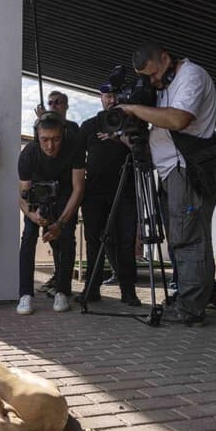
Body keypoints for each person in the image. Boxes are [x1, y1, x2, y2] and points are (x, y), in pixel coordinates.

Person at [117, 42, 216, 325]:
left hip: (186, 169)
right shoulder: (163, 86)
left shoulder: (191, 75)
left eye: (153, 74)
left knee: (188, 239)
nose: (152, 81)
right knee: (182, 238)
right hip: (170, 171)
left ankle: (190, 307)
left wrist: (135, 108)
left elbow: (178, 118)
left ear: (165, 58)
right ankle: (194, 296)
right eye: (146, 77)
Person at [16, 112, 85, 314]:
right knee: (28, 237)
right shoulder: (28, 154)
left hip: (65, 195)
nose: (50, 146)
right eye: (44, 140)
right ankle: (25, 294)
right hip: (36, 197)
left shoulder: (74, 148)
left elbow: (79, 189)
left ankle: (62, 291)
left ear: (63, 135)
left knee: (66, 238)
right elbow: (22, 195)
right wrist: (32, 215)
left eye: (56, 139)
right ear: (37, 136)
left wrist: (61, 223)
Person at [79, 85, 140, 306]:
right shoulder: (89, 125)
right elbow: (77, 159)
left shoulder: (132, 124)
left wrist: (119, 137)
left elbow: (142, 152)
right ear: (101, 98)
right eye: (107, 96)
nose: (112, 100)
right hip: (94, 193)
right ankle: (91, 289)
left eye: (115, 96)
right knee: (93, 241)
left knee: (125, 242)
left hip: (125, 192)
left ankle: (128, 291)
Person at [35, 90, 81, 298]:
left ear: (66, 106)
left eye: (58, 102)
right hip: (48, 192)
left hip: (68, 191)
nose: (53, 106)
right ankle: (58, 275)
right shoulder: (41, 126)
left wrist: (50, 121)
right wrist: (42, 121)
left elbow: (72, 143)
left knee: (66, 235)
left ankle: (64, 284)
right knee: (51, 237)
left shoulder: (72, 127)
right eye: (50, 103)